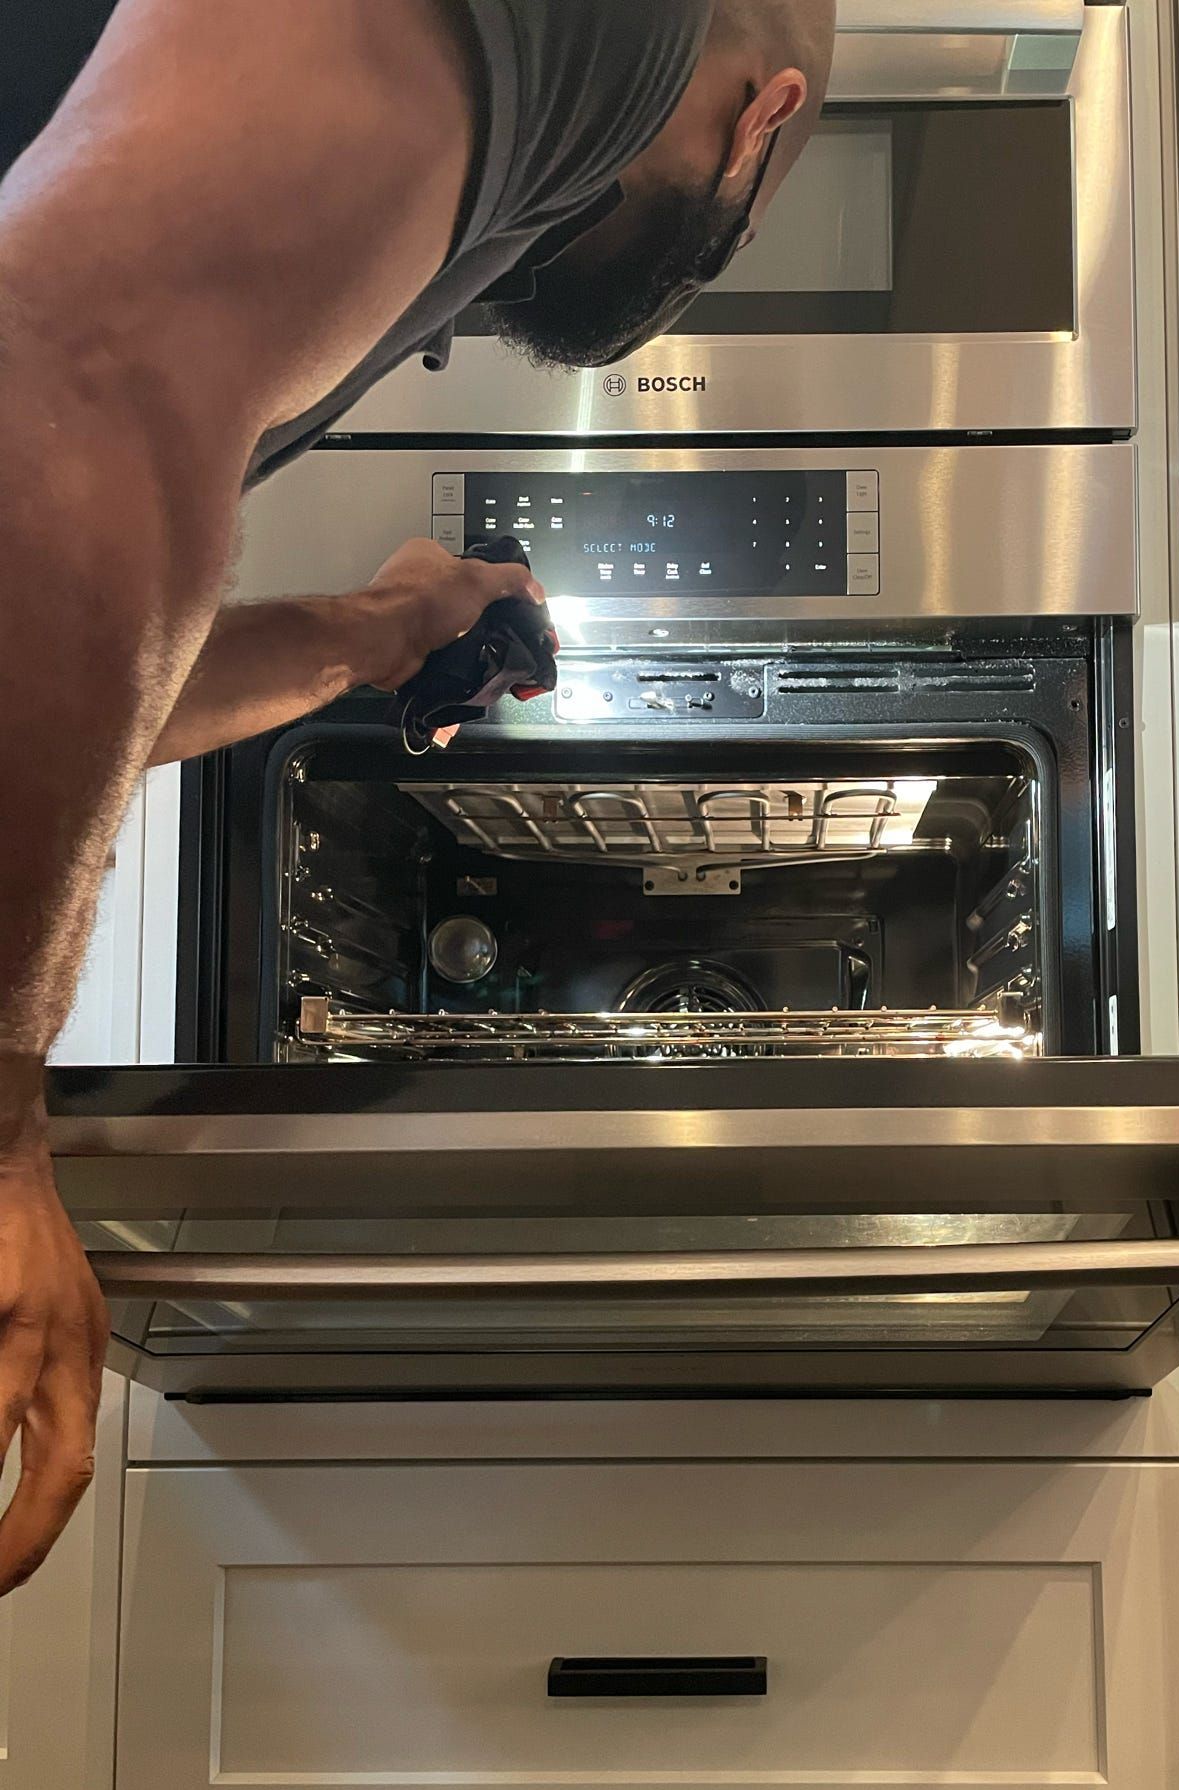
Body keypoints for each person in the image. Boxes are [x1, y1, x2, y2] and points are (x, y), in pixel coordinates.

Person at [0, 0, 836, 1596]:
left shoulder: (445, 176)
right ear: (762, 124)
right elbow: (69, 381)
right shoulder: (621, 30)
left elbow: (58, 671)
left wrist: (377, 634)